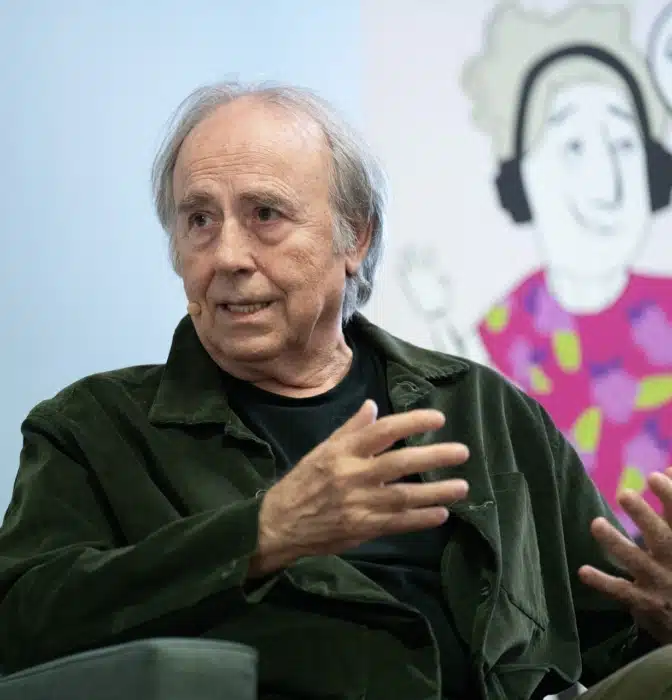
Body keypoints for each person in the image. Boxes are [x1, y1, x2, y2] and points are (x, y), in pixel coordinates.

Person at [1, 80, 672, 700]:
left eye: (265, 214)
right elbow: (18, 624)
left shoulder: (485, 409)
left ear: (356, 236)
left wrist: (662, 618)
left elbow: (607, 640)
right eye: (199, 220)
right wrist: (261, 533)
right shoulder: (96, 429)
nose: (227, 256)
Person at [398, 3, 672, 540]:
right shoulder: (503, 331)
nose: (605, 181)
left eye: (623, 144)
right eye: (573, 147)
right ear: (519, 179)